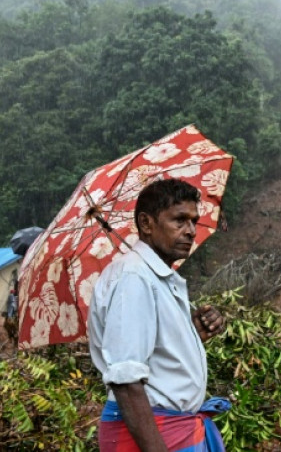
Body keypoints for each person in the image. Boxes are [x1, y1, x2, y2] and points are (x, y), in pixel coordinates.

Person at [88, 178, 229, 452]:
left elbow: (154, 353)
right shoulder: (134, 278)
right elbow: (126, 378)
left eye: (193, 222)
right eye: (179, 220)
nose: (190, 231)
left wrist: (192, 334)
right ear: (146, 224)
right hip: (156, 434)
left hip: (177, 428)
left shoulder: (157, 277)